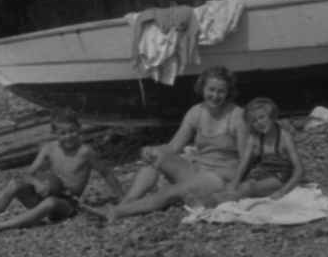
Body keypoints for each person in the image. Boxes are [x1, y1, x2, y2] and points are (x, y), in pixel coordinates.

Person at [88, 65, 248, 222]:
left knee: (169, 191)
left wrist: (233, 187)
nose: (215, 95)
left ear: (228, 93)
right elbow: (173, 147)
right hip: (198, 170)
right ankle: (127, 202)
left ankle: (116, 212)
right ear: (203, 88)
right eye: (211, 89)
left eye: (221, 91)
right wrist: (152, 149)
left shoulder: (237, 116)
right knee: (155, 156)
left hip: (220, 177)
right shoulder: (196, 112)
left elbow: (245, 159)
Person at [0, 111, 125, 245]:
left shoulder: (85, 152)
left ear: (79, 129)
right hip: (43, 194)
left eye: (72, 131)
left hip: (66, 203)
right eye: (63, 133)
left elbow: (107, 174)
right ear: (54, 133)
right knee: (14, 184)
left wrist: (123, 199)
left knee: (50, 202)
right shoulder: (49, 149)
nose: (68, 136)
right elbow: (28, 174)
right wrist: (36, 183)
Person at [209, 97, 304, 204]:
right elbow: (243, 165)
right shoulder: (254, 137)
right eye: (254, 120)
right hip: (262, 172)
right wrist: (233, 184)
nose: (259, 122)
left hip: (280, 176)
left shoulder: (284, 137)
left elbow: (300, 170)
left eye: (262, 117)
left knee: (249, 187)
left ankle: (215, 205)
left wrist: (283, 190)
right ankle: (206, 201)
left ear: (272, 116)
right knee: (238, 187)